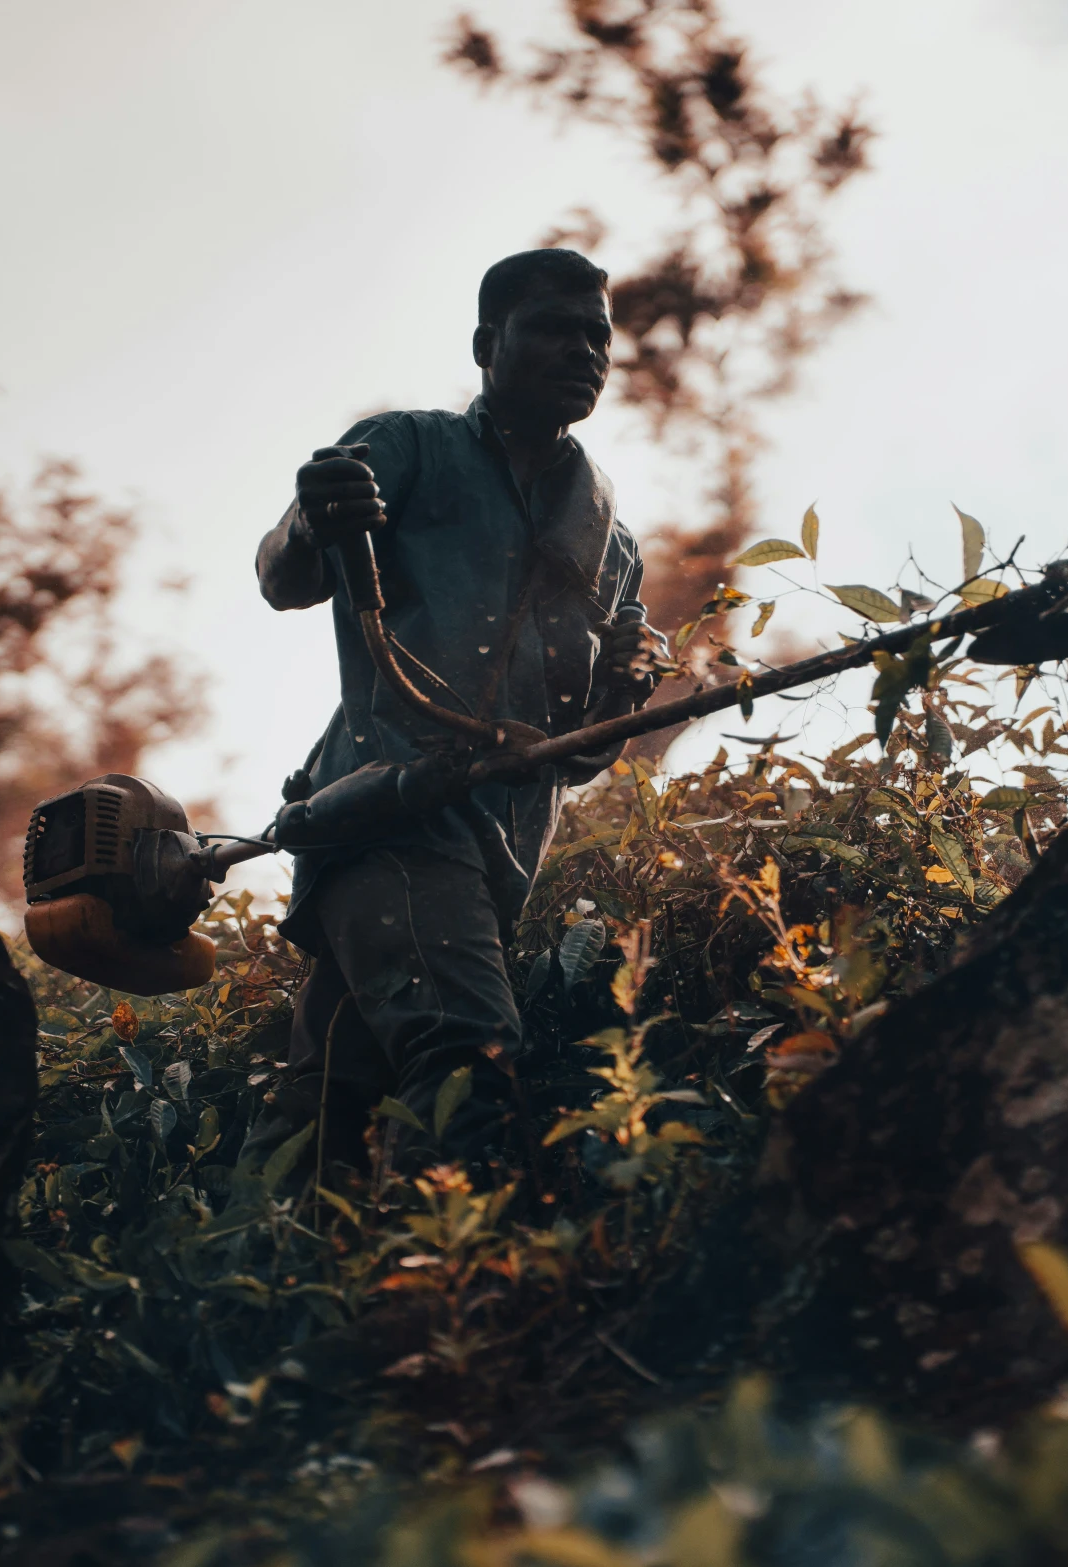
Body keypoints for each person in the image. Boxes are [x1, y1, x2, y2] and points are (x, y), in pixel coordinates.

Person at [251, 247, 665, 1169]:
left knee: (322, 1127)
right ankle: (487, 1296)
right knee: (471, 1060)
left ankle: (255, 1291)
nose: (584, 351)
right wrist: (310, 516)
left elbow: (581, 751)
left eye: (598, 336)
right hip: (386, 816)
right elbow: (286, 579)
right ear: (488, 342)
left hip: (497, 860)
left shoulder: (610, 540)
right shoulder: (412, 446)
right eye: (556, 328)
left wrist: (629, 680)